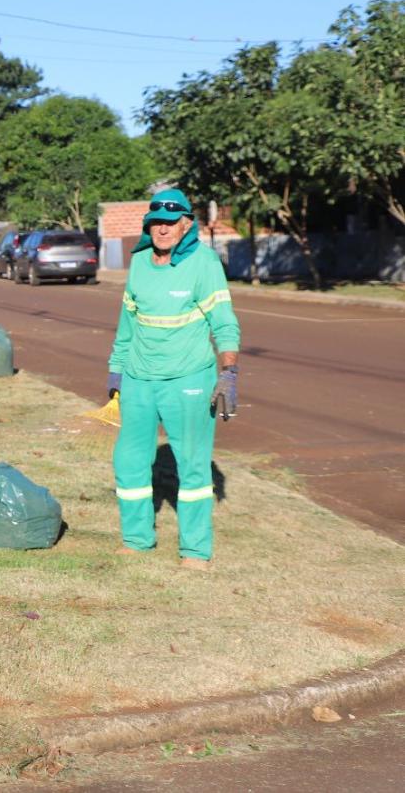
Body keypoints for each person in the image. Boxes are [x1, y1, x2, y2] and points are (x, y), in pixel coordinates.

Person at [106, 188, 240, 570]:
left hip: (188, 379)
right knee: (129, 461)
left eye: (170, 222)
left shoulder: (204, 262)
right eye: (156, 223)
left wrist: (229, 372)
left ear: (186, 225)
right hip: (139, 379)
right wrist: (116, 370)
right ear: (148, 226)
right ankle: (136, 539)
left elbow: (224, 322)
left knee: (193, 465)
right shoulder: (139, 262)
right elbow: (127, 323)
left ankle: (195, 550)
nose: (162, 229)